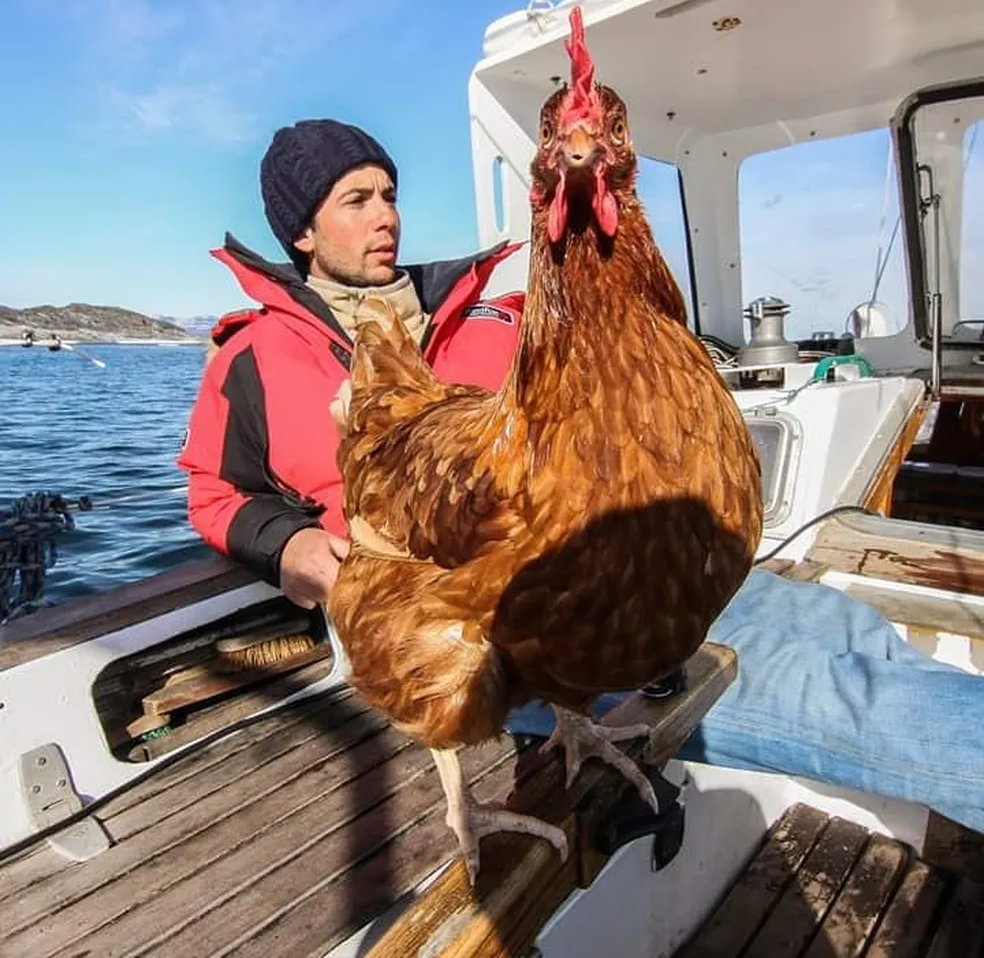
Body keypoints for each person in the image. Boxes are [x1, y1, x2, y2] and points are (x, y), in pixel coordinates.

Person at [178, 119, 984, 838]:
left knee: (845, 628)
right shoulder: (252, 358)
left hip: (663, 564)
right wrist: (287, 546)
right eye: (355, 200)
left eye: (388, 193)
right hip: (520, 630)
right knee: (854, 703)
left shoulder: (495, 309)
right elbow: (214, 492)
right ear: (302, 234)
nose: (385, 214)